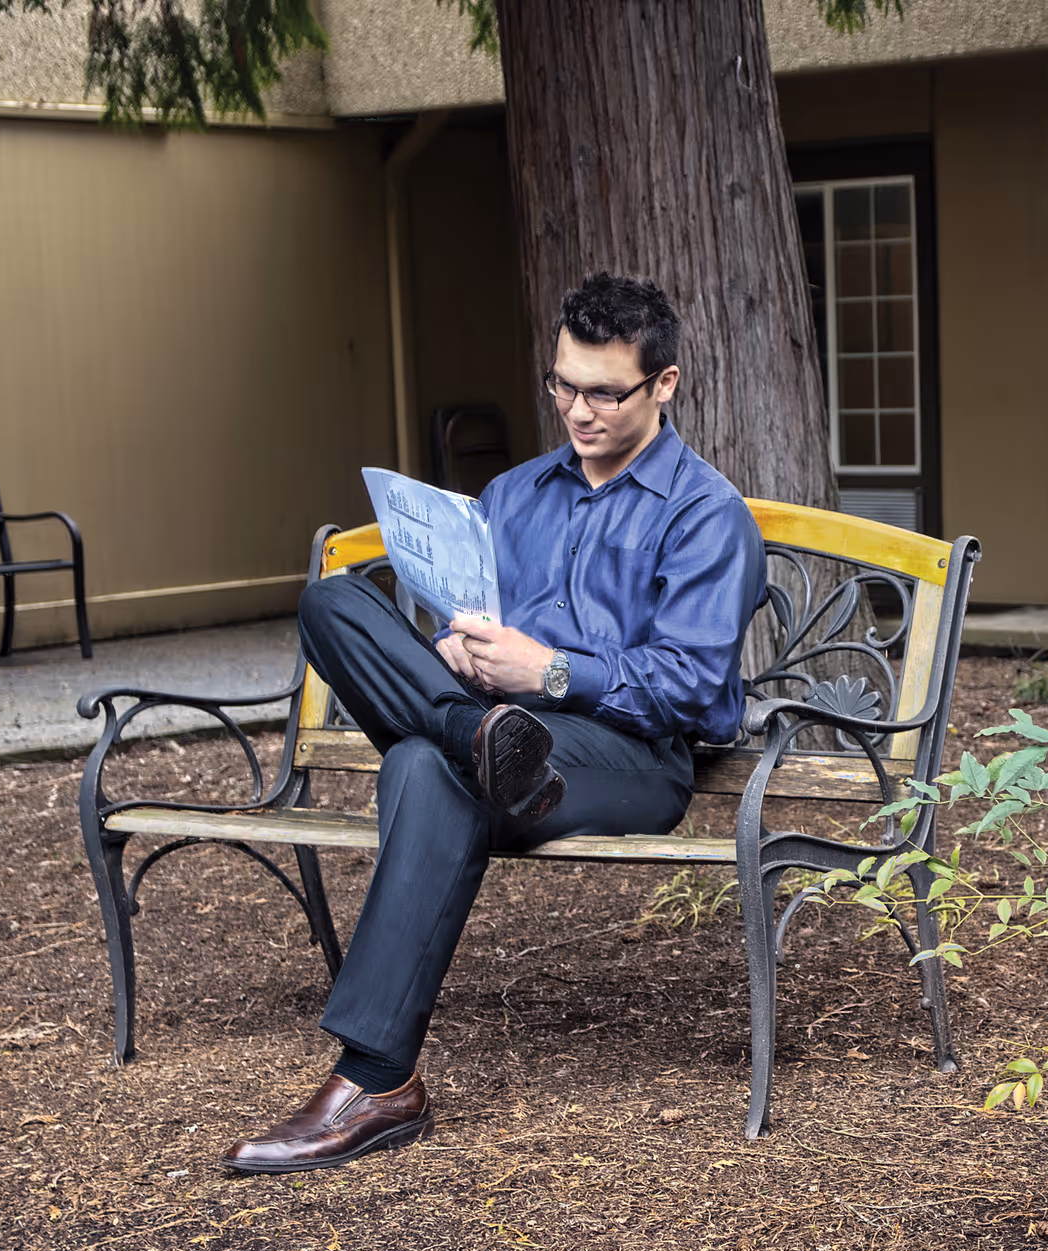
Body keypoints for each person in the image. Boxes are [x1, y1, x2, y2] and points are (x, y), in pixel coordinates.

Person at [220, 273, 766, 1174]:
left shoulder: (706, 514)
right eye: (562, 384)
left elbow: (697, 693)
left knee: (422, 769)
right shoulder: (514, 494)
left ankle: (372, 1082)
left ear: (664, 384)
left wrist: (545, 669)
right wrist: (455, 654)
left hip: (623, 755)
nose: (577, 411)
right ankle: (468, 739)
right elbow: (459, 611)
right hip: (492, 725)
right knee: (333, 604)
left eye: (604, 392)